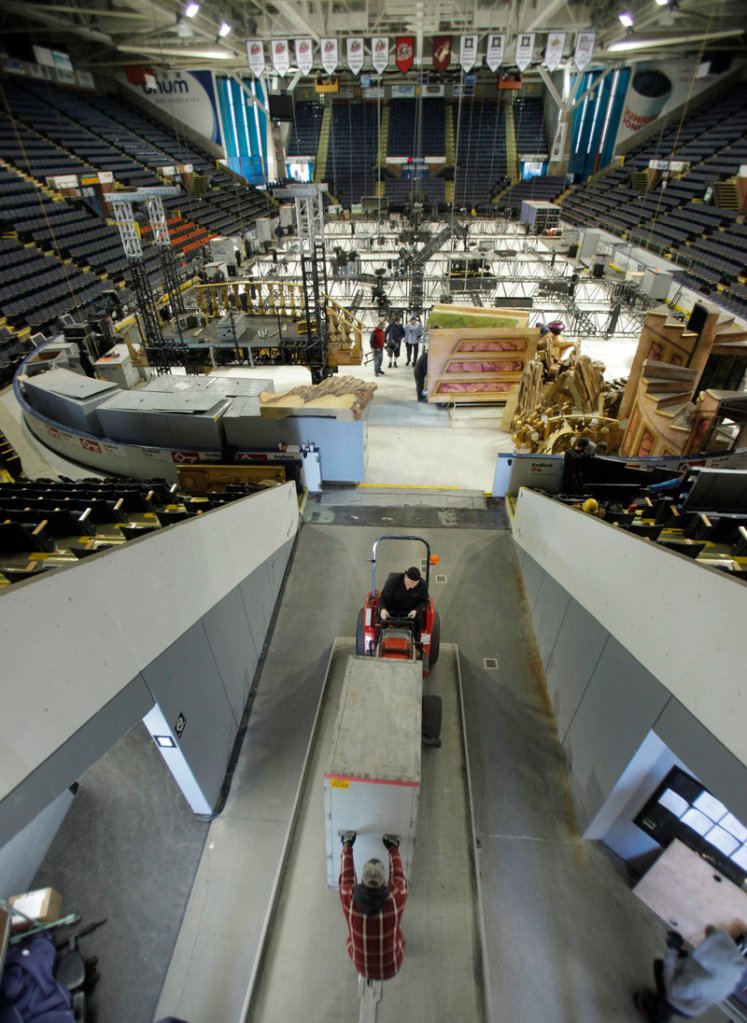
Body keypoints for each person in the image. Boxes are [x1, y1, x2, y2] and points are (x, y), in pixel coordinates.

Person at [634, 927, 747, 1022]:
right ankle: (660, 1004)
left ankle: (658, 1014)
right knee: (679, 960)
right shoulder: (734, 967)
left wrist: (672, 950)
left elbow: (672, 989)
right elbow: (715, 935)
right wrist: (710, 931)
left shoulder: (700, 984)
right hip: (694, 1000)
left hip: (677, 1002)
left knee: (660, 969)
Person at [338, 832, 407, 981]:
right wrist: (392, 848)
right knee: (399, 934)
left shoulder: (349, 901)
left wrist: (347, 845)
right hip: (392, 967)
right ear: (385, 883)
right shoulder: (395, 901)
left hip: (361, 967)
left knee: (350, 939)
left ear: (362, 880)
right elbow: (399, 878)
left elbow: (346, 877)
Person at [380, 565, 428, 639]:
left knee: (419, 620)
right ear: (405, 577)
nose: (413, 585)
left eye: (416, 583)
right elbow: (383, 597)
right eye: (411, 582)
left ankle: (416, 642)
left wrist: (416, 610)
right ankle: (378, 641)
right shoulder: (393, 581)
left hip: (411, 611)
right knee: (381, 619)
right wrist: (383, 609)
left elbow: (424, 601)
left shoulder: (423, 585)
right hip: (392, 608)